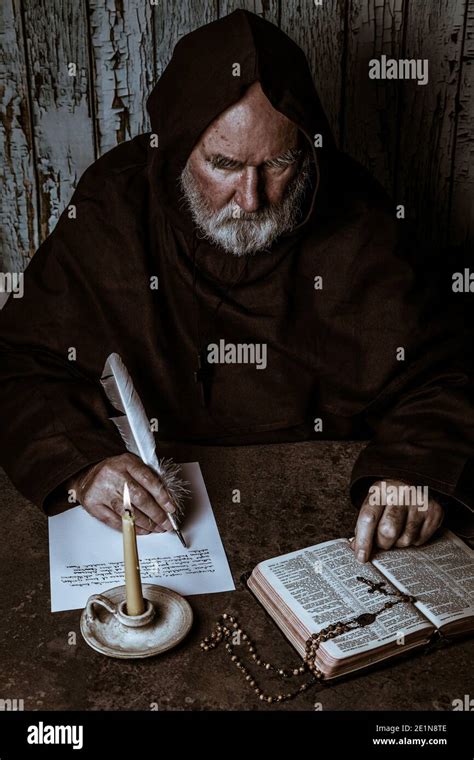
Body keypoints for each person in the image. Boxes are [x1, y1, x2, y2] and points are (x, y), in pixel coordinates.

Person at [0, 10, 472, 560]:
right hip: (156, 523)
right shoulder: (114, 207)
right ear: (178, 147)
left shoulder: (361, 219)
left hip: (329, 514)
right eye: (223, 163)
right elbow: (19, 358)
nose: (253, 199)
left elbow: (449, 369)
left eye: (279, 163)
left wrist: (414, 471)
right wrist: (82, 466)